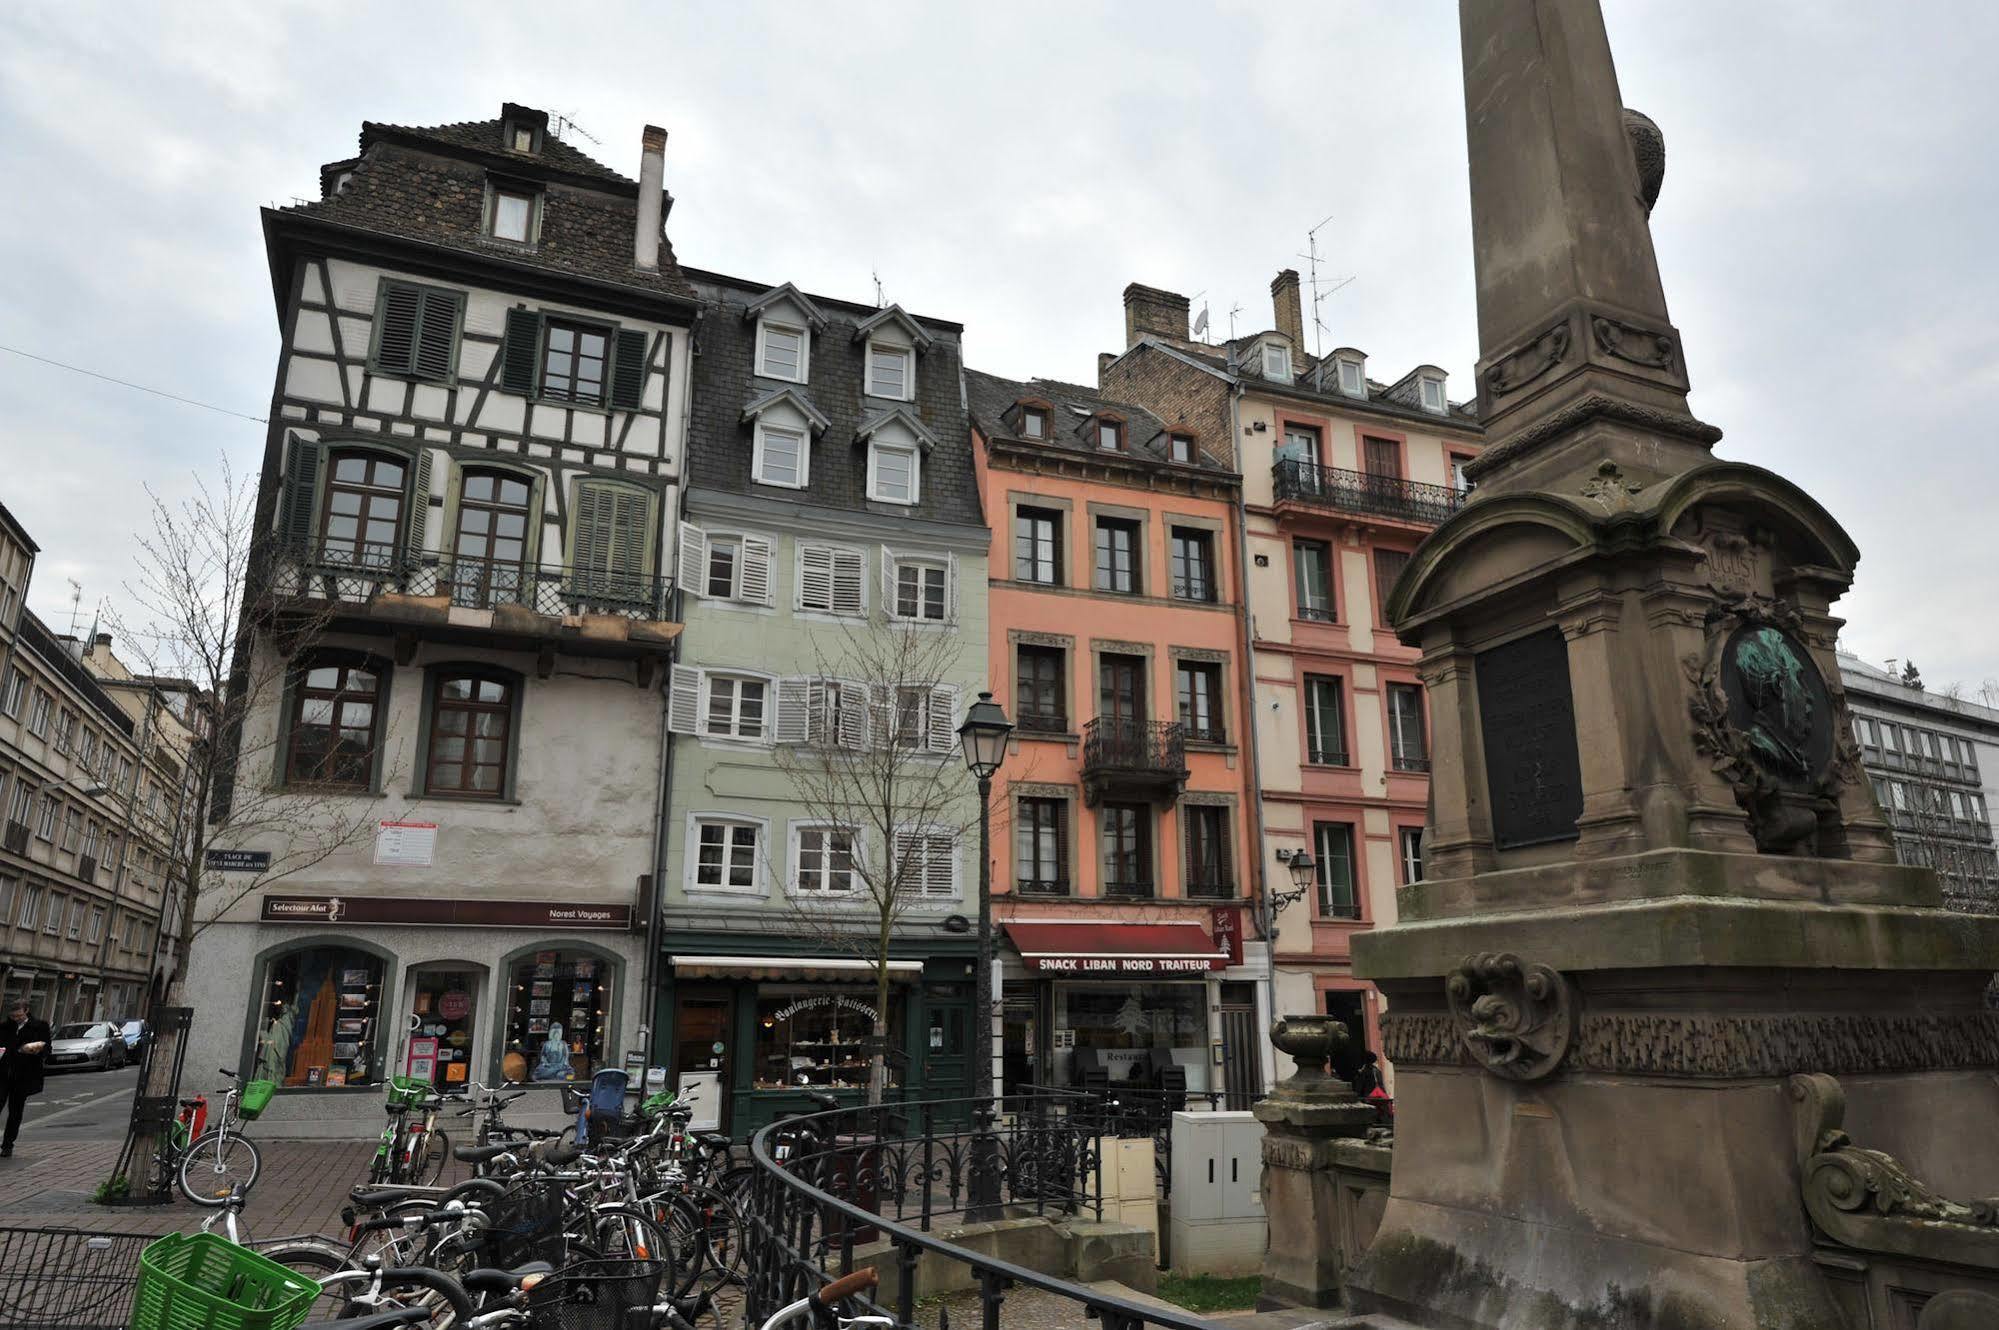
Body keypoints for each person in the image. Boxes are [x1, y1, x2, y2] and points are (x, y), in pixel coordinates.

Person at [0, 998, 53, 1158]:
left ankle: (8, 1145)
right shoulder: (4, 1027)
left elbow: (47, 1048)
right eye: (13, 1016)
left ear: (26, 1011)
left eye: (19, 1016)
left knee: (15, 1112)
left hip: (23, 1076)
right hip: (2, 1074)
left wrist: (34, 1049)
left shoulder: (40, 1026)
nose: (16, 1019)